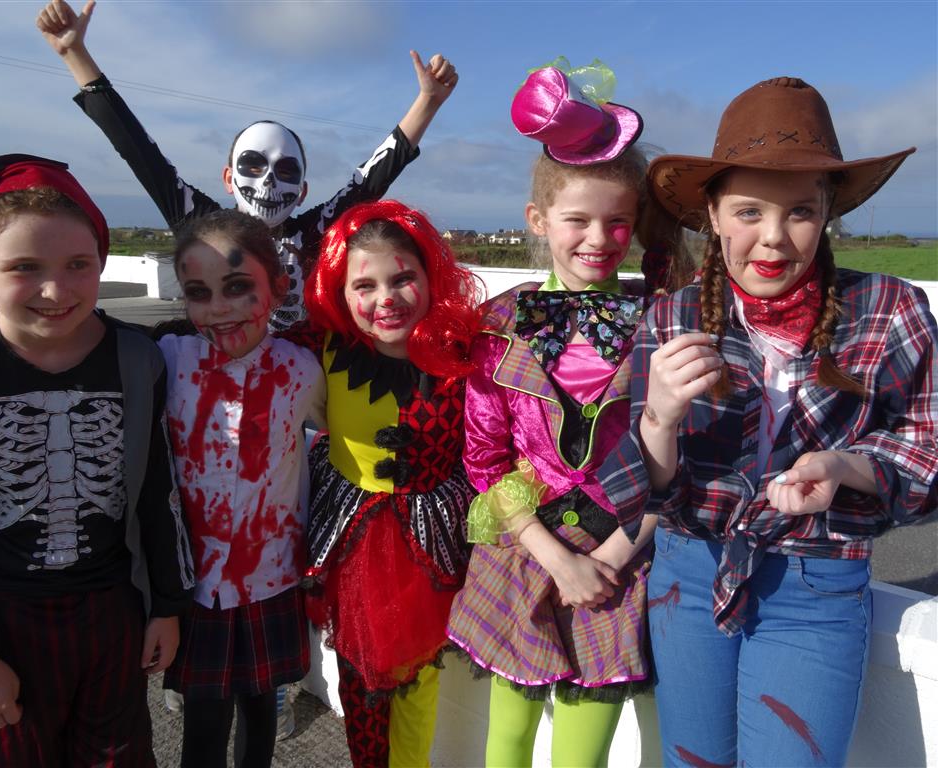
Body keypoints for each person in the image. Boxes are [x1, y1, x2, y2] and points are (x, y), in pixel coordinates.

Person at [597, 76, 935, 766]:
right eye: (749, 212)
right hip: (687, 572)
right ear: (714, 214)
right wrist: (658, 418)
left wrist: (843, 467)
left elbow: (927, 451)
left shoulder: (889, 309)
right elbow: (640, 492)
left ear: (828, 212)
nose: (774, 239)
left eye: (801, 212)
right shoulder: (671, 317)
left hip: (817, 579)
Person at [445, 60, 691, 767]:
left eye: (617, 223)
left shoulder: (662, 322)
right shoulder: (500, 325)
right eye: (577, 220)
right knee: (507, 742)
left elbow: (681, 456)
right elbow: (485, 459)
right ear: (538, 220)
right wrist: (552, 555)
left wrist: (605, 561)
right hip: (524, 554)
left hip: (620, 562)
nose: (598, 239)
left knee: (583, 755)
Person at [0, 154, 194, 766]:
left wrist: (168, 606)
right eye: (23, 268)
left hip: (113, 610)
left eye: (78, 265)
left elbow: (159, 491)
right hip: (6, 622)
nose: (55, 290)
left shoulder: (137, 359)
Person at [35, 0, 459, 332]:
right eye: (253, 165)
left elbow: (371, 179)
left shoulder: (316, 232)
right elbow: (139, 152)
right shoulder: (202, 225)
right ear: (228, 178)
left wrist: (427, 102)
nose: (270, 180)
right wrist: (76, 56)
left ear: (303, 192)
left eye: (286, 171)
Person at [298, 199, 482, 767]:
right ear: (339, 292)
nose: (386, 299)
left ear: (431, 275)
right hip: (353, 546)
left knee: (419, 680)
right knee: (358, 681)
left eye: (402, 278)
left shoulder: (465, 355)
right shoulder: (320, 351)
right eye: (365, 285)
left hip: (432, 546)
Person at [154, 208, 325, 767]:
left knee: (261, 714)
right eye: (198, 293)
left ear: (277, 287)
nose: (219, 308)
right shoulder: (164, 359)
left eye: (236, 287)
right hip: (197, 584)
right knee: (203, 729)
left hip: (272, 577)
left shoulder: (306, 369)